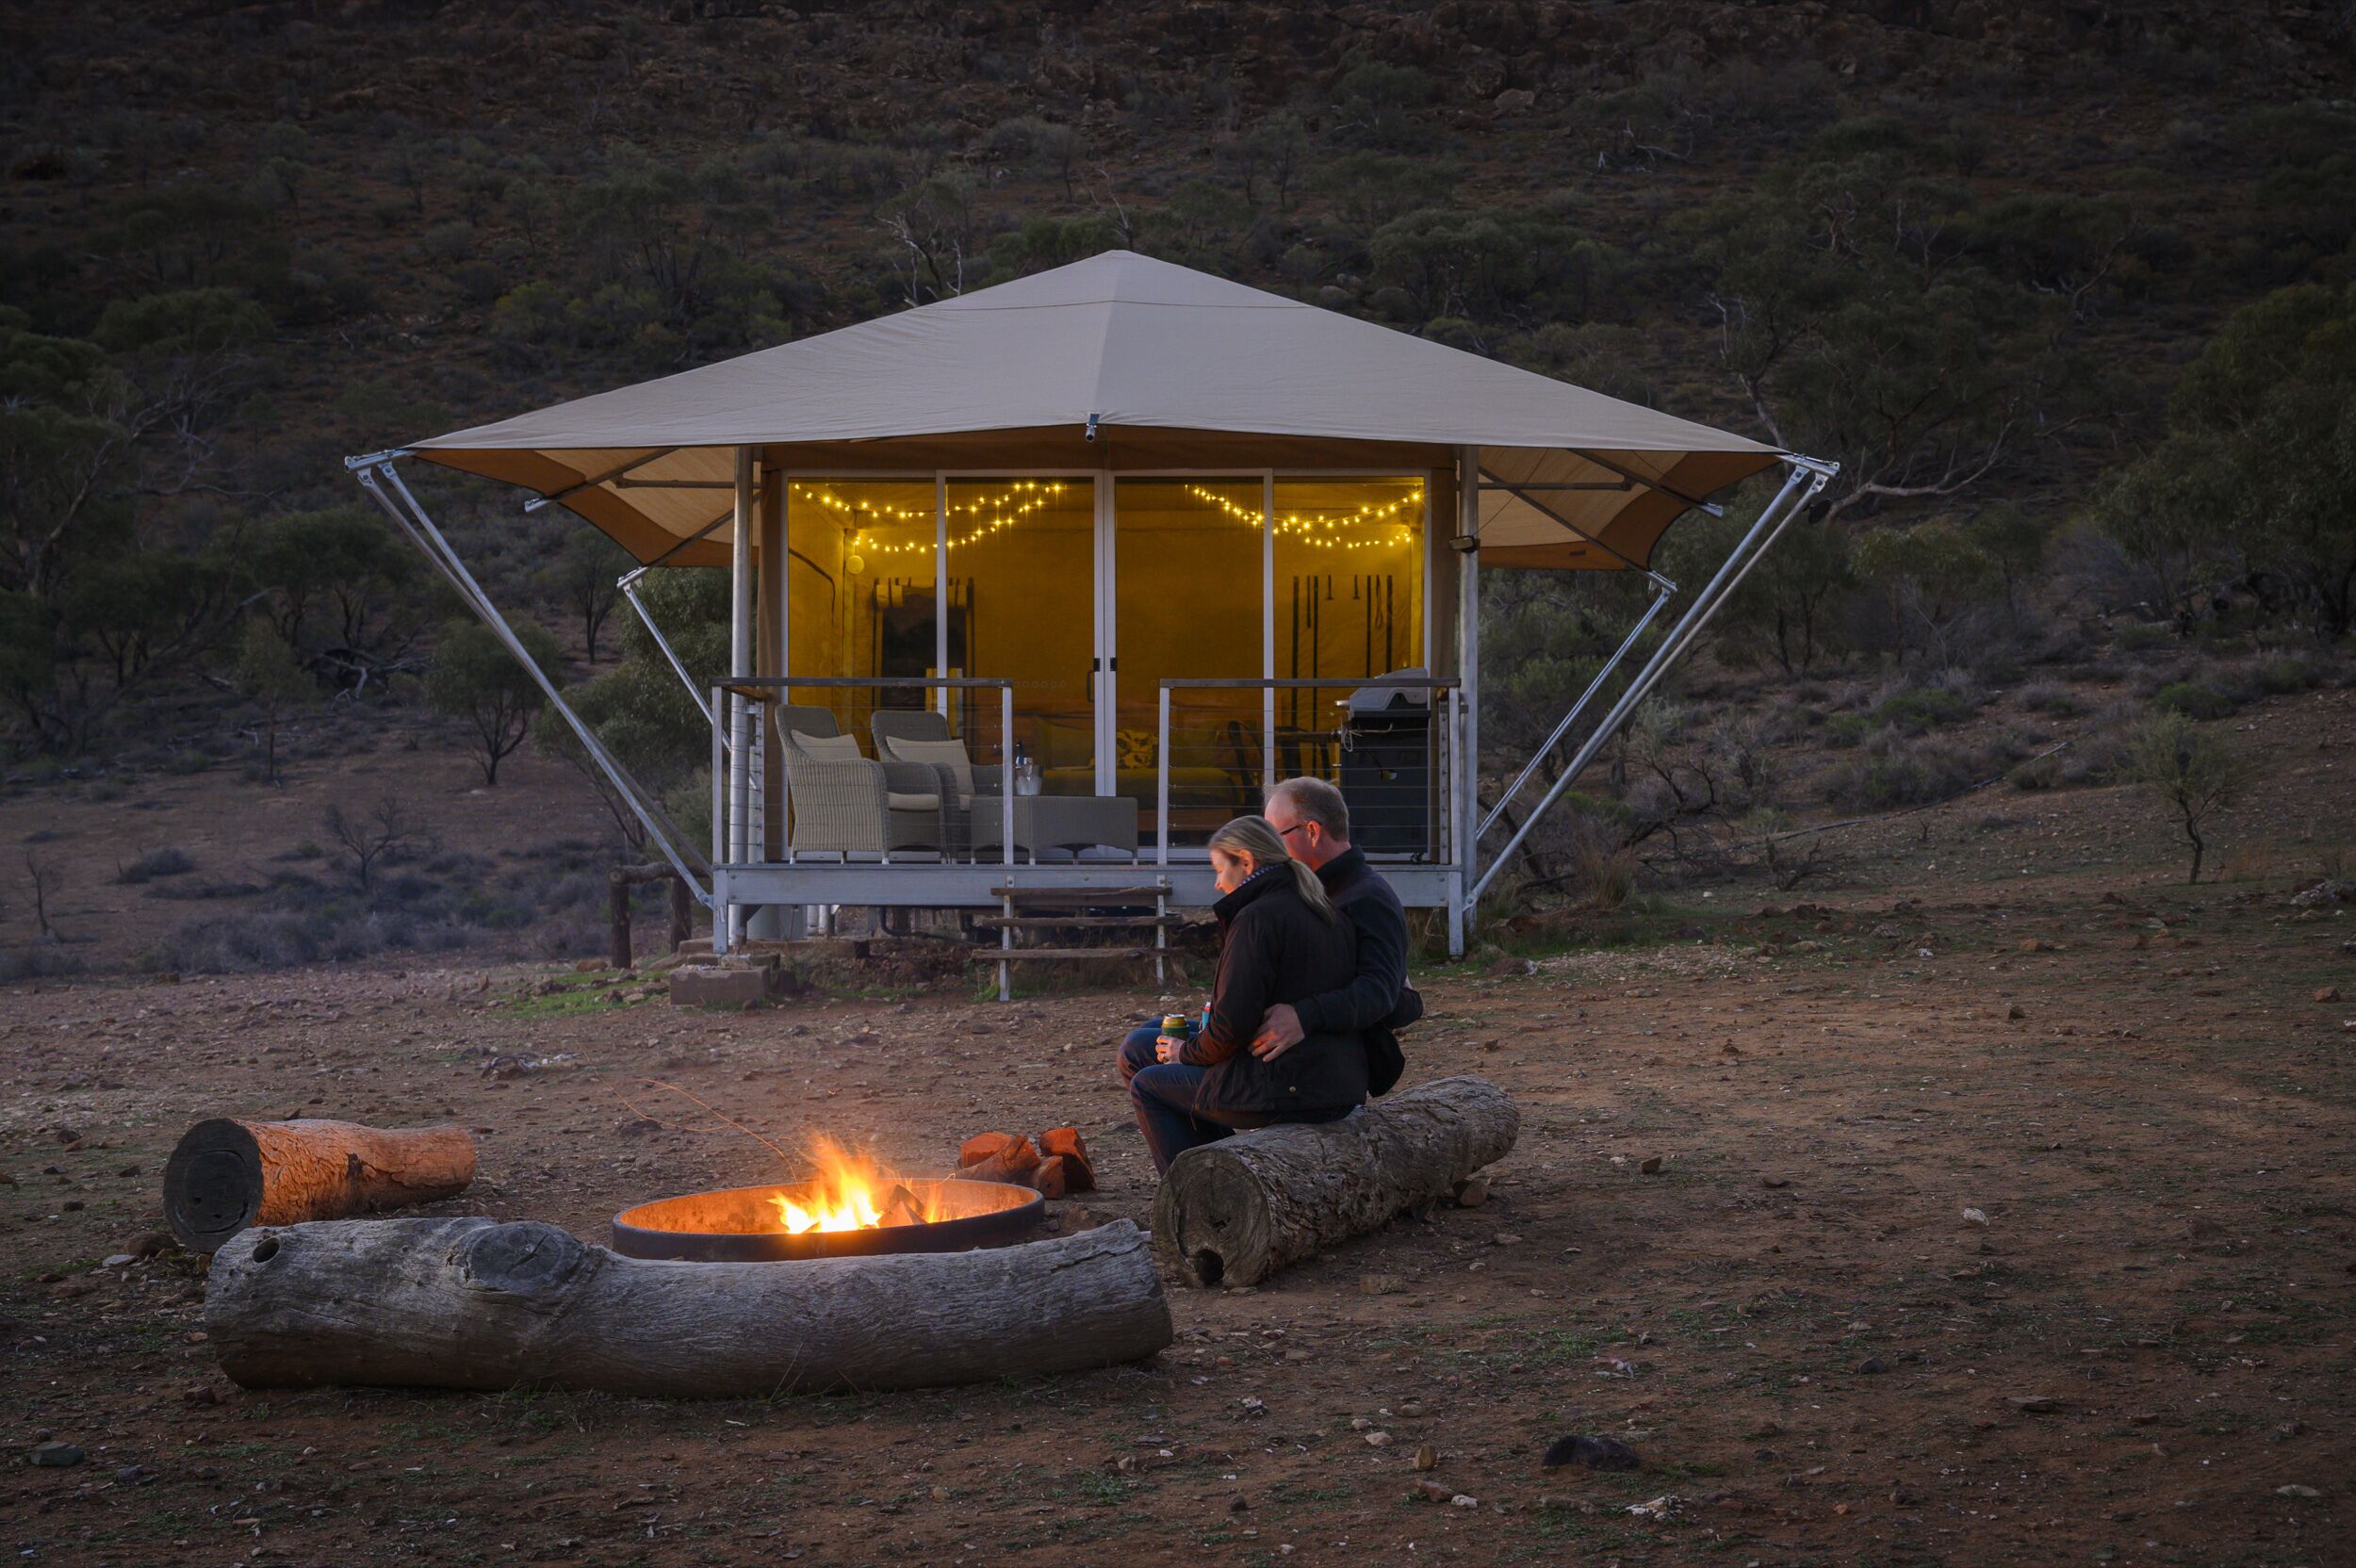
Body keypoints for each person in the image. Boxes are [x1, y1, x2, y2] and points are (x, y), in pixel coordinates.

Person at [1117, 815, 1366, 1173]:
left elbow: (1232, 1027)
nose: (1217, 884)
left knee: (1148, 1085)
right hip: (1329, 1078)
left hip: (1288, 1085)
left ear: (1247, 862)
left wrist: (1185, 1052)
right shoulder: (1316, 905)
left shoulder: (1258, 918)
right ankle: (1224, 1168)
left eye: (1219, 870)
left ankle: (1196, 1194)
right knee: (1145, 1043)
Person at [1252, 776, 1419, 1094]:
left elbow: (1380, 994)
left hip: (1316, 1067)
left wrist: (1303, 1015)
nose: (1268, 851)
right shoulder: (1314, 891)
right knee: (1147, 1042)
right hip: (1288, 1052)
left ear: (1312, 832)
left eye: (1275, 837)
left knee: (1148, 1065)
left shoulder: (1367, 899)